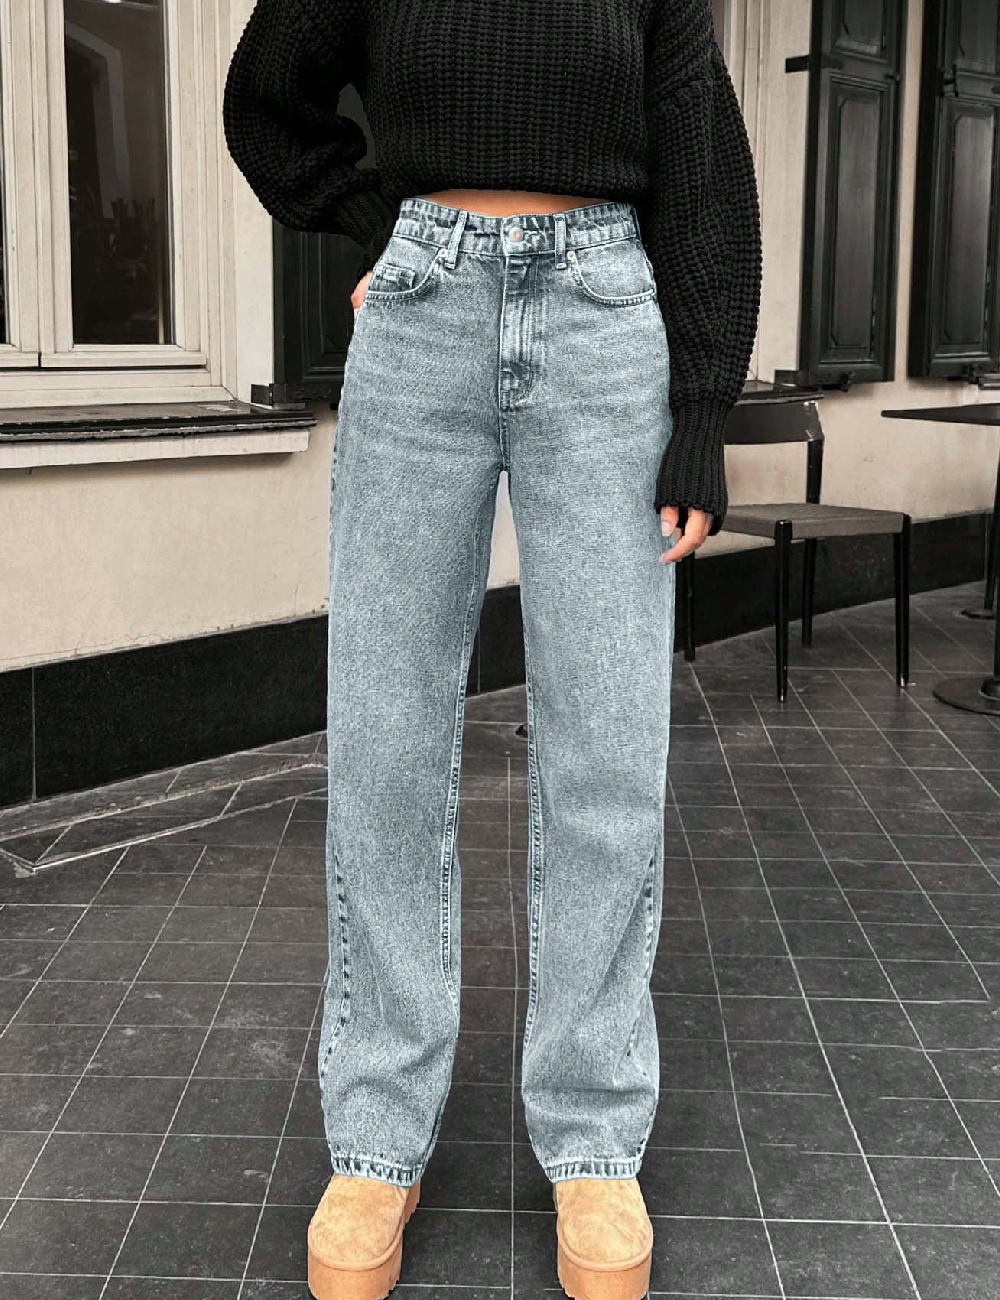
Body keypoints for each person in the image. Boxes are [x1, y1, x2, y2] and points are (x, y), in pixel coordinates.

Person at [222, 0, 761, 1296]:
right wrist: (375, 219)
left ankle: (592, 1136)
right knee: (386, 744)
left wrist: (702, 409)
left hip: (604, 322)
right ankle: (377, 1139)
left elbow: (705, 178)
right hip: (422, 315)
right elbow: (267, 97)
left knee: (609, 751)